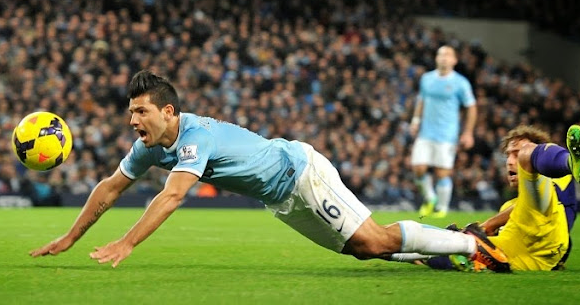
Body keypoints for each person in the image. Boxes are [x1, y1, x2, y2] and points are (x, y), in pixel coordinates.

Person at [30, 70, 509, 271]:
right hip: (280, 199)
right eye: (131, 113)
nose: (133, 121)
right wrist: (71, 237)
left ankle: (473, 245)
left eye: (141, 112)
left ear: (169, 111)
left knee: (377, 240)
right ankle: (439, 248)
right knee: (365, 252)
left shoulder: (196, 136)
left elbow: (173, 196)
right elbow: (110, 188)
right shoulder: (150, 147)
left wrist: (127, 242)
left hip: (300, 170)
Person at [412, 124, 580, 271]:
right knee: (450, 250)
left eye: (516, 153)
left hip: (551, 238)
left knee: (458, 249)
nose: (510, 161)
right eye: (508, 155)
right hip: (531, 253)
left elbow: (546, 198)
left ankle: (570, 162)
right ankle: (406, 250)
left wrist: (488, 225)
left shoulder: (555, 178)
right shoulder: (510, 204)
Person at [410, 45, 477, 218]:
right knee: (418, 168)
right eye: (441, 54)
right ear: (436, 58)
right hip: (425, 132)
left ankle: (441, 207)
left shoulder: (460, 83)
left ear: (454, 60)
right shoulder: (426, 78)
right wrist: (415, 121)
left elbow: (471, 107)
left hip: (447, 135)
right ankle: (430, 198)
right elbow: (421, 101)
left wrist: (468, 132)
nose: (444, 58)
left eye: (448, 55)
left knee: (441, 172)